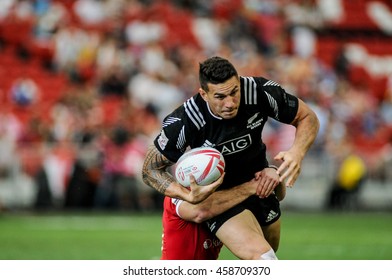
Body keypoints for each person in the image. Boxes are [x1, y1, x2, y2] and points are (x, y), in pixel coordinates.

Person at [142, 56, 319, 260]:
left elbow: (307, 117)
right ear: (204, 94)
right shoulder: (186, 120)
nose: (230, 103)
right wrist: (186, 195)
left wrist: (296, 152)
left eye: (234, 92)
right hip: (221, 196)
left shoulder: (258, 91)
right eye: (220, 97)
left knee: (270, 251)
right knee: (264, 259)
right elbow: (150, 169)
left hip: (260, 183)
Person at [161, 173, 286, 260]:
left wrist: (273, 173)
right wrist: (251, 187)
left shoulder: (225, 194)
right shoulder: (181, 193)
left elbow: (278, 197)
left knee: (265, 257)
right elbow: (200, 211)